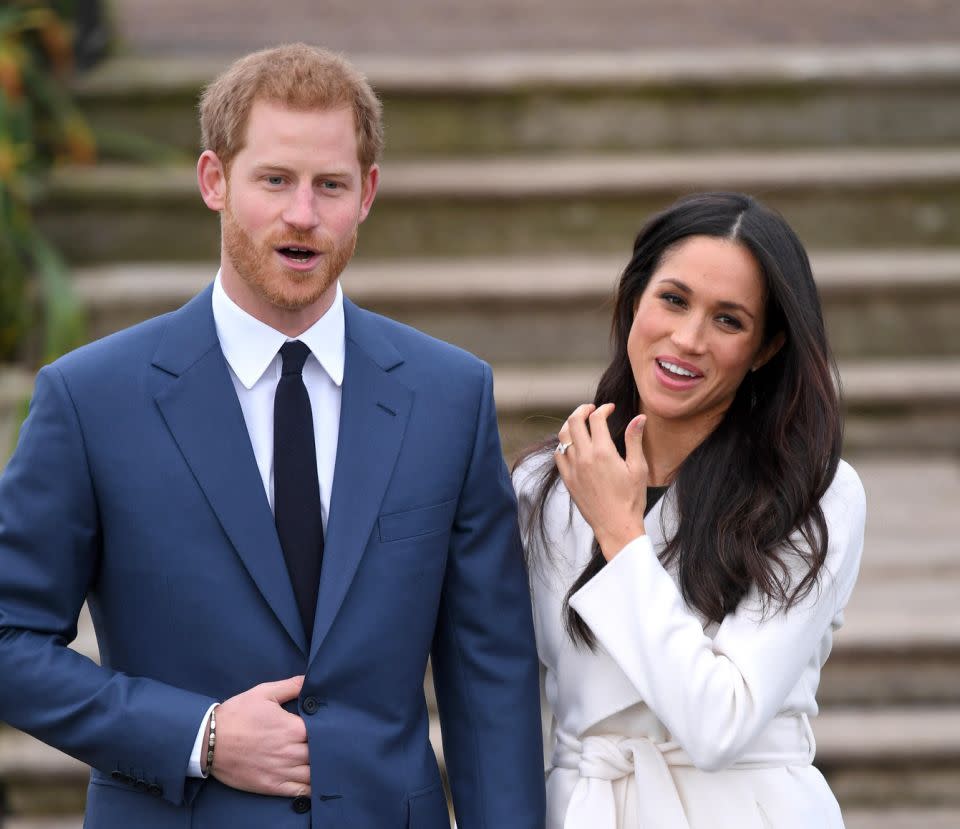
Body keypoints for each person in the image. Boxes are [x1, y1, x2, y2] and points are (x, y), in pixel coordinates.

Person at [0, 44, 545, 829]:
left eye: (330, 185)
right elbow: (11, 638)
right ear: (214, 181)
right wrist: (199, 735)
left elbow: (489, 671)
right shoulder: (90, 399)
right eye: (275, 180)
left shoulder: (450, 396)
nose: (303, 214)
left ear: (368, 195)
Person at [514, 192, 866, 829]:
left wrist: (621, 535)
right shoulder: (543, 484)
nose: (687, 338)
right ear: (635, 301)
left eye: (728, 321)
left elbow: (718, 723)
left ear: (765, 347)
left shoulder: (815, 494)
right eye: (672, 299)